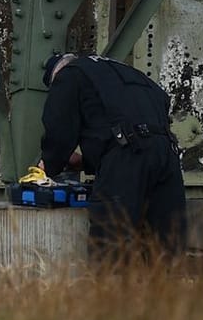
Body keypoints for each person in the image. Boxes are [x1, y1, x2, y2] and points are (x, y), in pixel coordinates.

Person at [39, 52, 186, 259]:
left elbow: (59, 129)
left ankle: (112, 290)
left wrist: (50, 164)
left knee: (111, 245)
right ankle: (167, 291)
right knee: (166, 245)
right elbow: (122, 120)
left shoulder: (69, 74)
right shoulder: (126, 73)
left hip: (126, 158)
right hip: (166, 154)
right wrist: (86, 161)